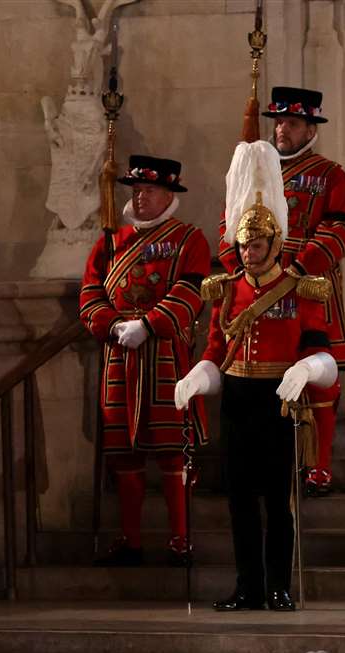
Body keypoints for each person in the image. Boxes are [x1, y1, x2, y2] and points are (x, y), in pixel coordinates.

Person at [175, 141, 337, 612]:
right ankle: (247, 586)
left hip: (279, 401)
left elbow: (322, 354)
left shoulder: (300, 289)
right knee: (239, 501)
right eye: (244, 244)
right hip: (239, 400)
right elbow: (216, 354)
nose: (249, 251)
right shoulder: (226, 292)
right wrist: (197, 380)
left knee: (278, 504)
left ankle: (278, 587)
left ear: (275, 244)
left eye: (258, 244)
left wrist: (306, 370)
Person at [80, 154, 212, 566]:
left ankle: (181, 538)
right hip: (119, 358)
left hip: (167, 356)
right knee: (123, 452)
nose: (140, 198)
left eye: (149, 191)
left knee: (174, 451)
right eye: (136, 191)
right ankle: (131, 538)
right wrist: (111, 325)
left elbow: (193, 291)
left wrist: (151, 325)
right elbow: (89, 293)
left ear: (168, 194)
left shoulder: (190, 239)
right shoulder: (110, 242)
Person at [255, 87, 345, 497]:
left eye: (291, 123)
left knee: (319, 379)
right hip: (262, 289)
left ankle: (319, 466)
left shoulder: (331, 175)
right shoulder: (258, 172)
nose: (281, 130)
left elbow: (338, 229)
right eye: (278, 123)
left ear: (310, 127)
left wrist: (299, 264)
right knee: (264, 374)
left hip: (309, 287)